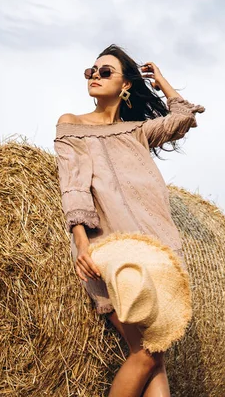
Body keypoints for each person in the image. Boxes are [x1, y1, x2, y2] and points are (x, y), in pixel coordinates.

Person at [53, 44, 205, 397]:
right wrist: (82, 244)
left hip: (154, 244)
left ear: (125, 85)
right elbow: (73, 185)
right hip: (110, 246)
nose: (94, 76)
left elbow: (182, 118)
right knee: (145, 352)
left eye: (105, 71)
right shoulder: (71, 124)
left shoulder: (137, 131)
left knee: (156, 352)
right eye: (91, 70)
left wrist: (162, 81)